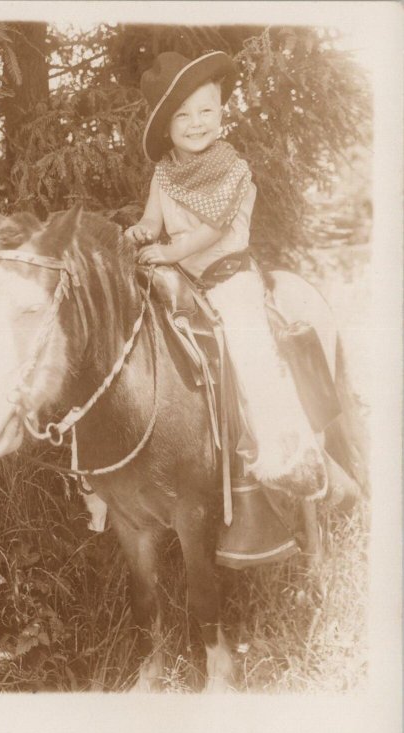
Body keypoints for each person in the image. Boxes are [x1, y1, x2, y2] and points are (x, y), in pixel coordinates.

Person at [126, 50, 329, 498]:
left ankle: (285, 452)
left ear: (221, 113)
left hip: (226, 277)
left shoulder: (232, 171)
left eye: (206, 111)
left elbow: (212, 230)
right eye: (182, 115)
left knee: (249, 344)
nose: (196, 123)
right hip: (179, 280)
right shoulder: (165, 173)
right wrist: (141, 234)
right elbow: (151, 220)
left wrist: (168, 250)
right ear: (165, 127)